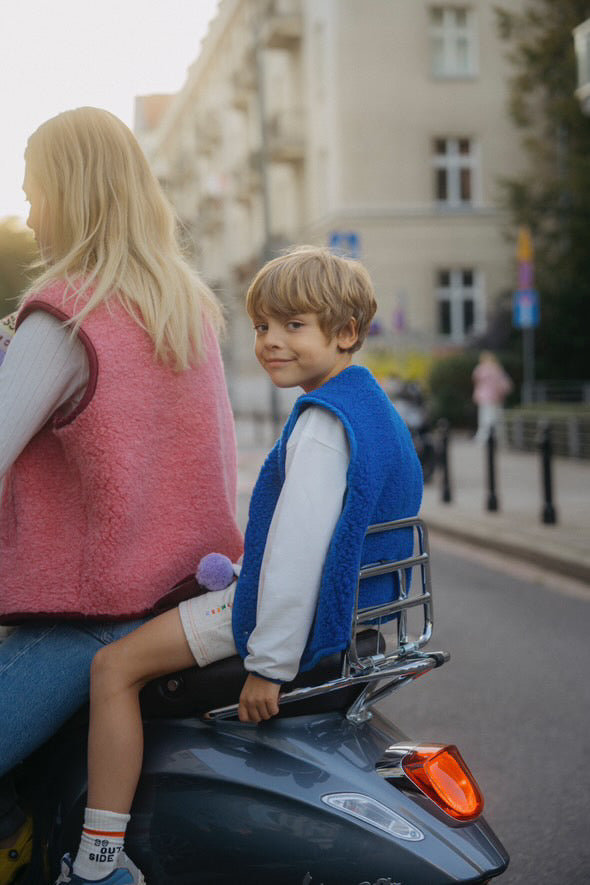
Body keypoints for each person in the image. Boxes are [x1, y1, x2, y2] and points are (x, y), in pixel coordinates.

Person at [55, 245, 424, 884]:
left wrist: (269, 665)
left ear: (346, 333)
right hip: (352, 608)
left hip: (278, 617)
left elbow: (297, 559)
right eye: (261, 327)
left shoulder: (322, 424)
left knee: (112, 668)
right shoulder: (372, 409)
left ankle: (98, 863)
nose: (271, 342)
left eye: (293, 326)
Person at [0, 107, 243, 885]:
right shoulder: (185, 306)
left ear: (73, 193)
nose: (31, 212)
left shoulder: (66, 316)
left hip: (90, 618)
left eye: (37, 192)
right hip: (180, 596)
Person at [472, 351, 513, 444]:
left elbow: (476, 381)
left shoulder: (480, 369)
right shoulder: (497, 368)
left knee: (485, 418)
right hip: (496, 397)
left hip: (485, 397)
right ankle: (497, 438)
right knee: (497, 418)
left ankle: (485, 438)